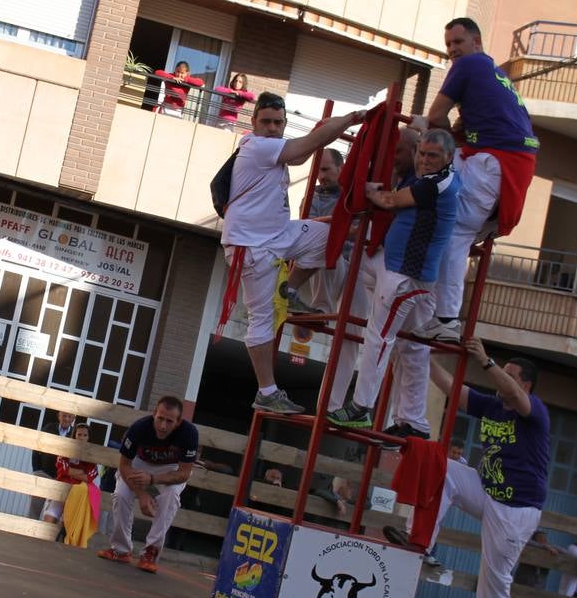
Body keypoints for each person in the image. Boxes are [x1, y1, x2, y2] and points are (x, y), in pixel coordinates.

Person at [220, 91, 364, 414]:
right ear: (254, 123)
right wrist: (348, 121)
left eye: (278, 123)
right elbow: (301, 153)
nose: (272, 128)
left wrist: (322, 130)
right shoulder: (257, 147)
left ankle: (290, 288)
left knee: (329, 238)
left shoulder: (269, 148)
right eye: (266, 122)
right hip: (251, 246)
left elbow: (302, 149)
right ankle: (267, 392)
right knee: (262, 318)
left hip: (278, 234)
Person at [423, 338, 550, 598]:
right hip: (487, 489)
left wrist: (486, 361)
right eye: (500, 372)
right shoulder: (491, 406)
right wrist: (420, 353)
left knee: (495, 575)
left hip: (517, 507)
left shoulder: (534, 410)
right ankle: (423, 542)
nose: (499, 378)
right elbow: (451, 387)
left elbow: (516, 397)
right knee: (444, 469)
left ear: (524, 384)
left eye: (509, 374)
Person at [412, 18, 538, 343]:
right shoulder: (496, 77)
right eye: (449, 45)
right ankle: (440, 312)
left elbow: (437, 116)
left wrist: (422, 129)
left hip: (494, 162)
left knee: (454, 228)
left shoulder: (469, 65)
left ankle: (446, 318)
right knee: (454, 229)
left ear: (476, 43)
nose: (453, 50)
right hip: (508, 168)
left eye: (458, 42)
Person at [328, 128, 460, 435]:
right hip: (396, 270)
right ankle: (412, 422)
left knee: (379, 336)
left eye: (432, 156)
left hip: (407, 278)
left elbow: (389, 201)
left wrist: (370, 191)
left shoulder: (437, 183)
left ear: (448, 158)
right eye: (421, 154)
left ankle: (362, 407)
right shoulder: (433, 176)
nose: (425, 161)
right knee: (408, 345)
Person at [97, 396, 199, 573]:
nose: (163, 426)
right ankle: (121, 549)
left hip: (170, 468)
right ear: (154, 414)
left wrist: (152, 479)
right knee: (121, 494)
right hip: (139, 463)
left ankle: (150, 552)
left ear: (178, 422)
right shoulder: (139, 428)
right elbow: (124, 466)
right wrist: (142, 494)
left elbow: (184, 473)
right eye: (160, 418)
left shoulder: (189, 433)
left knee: (171, 496)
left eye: (169, 421)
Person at [41, 423, 99, 525]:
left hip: (76, 495)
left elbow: (89, 477)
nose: (81, 438)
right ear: (74, 436)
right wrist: (82, 471)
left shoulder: (92, 457)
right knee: (47, 522)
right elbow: (62, 469)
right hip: (60, 490)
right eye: (79, 435)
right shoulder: (66, 450)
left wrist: (70, 472)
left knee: (66, 527)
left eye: (85, 435)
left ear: (89, 438)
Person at [30, 410, 77, 517]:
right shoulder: (49, 428)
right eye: (64, 415)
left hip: (61, 478)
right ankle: (27, 533)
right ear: (59, 416)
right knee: (35, 507)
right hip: (44, 473)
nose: (66, 419)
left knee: (51, 512)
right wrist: (37, 469)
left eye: (70, 417)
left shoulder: (75, 434)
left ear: (73, 419)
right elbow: (36, 446)